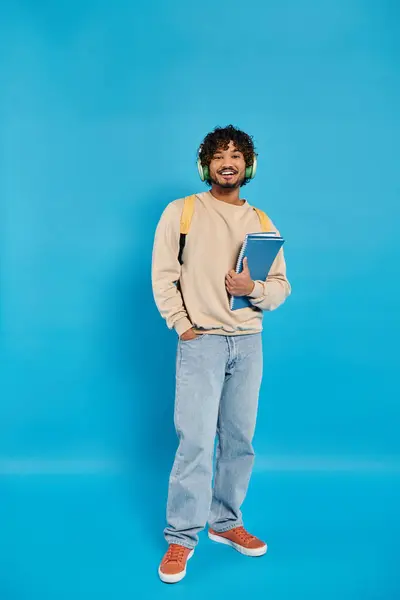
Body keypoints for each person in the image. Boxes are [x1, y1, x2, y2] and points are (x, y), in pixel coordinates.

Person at [151, 124, 291, 584]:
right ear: (205, 165)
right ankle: (181, 536)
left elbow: (280, 287)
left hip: (249, 343)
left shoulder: (262, 221)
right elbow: (163, 275)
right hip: (202, 341)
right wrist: (182, 325)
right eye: (218, 156)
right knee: (193, 441)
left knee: (239, 440)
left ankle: (226, 523)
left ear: (247, 166)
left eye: (236, 155)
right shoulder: (183, 212)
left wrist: (252, 289)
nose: (227, 162)